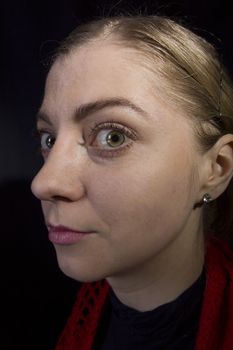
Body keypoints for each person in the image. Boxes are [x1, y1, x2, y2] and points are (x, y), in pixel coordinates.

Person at [31, 15, 233, 350]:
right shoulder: (41, 312)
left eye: (112, 136)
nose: (45, 182)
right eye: (49, 140)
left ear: (216, 169)